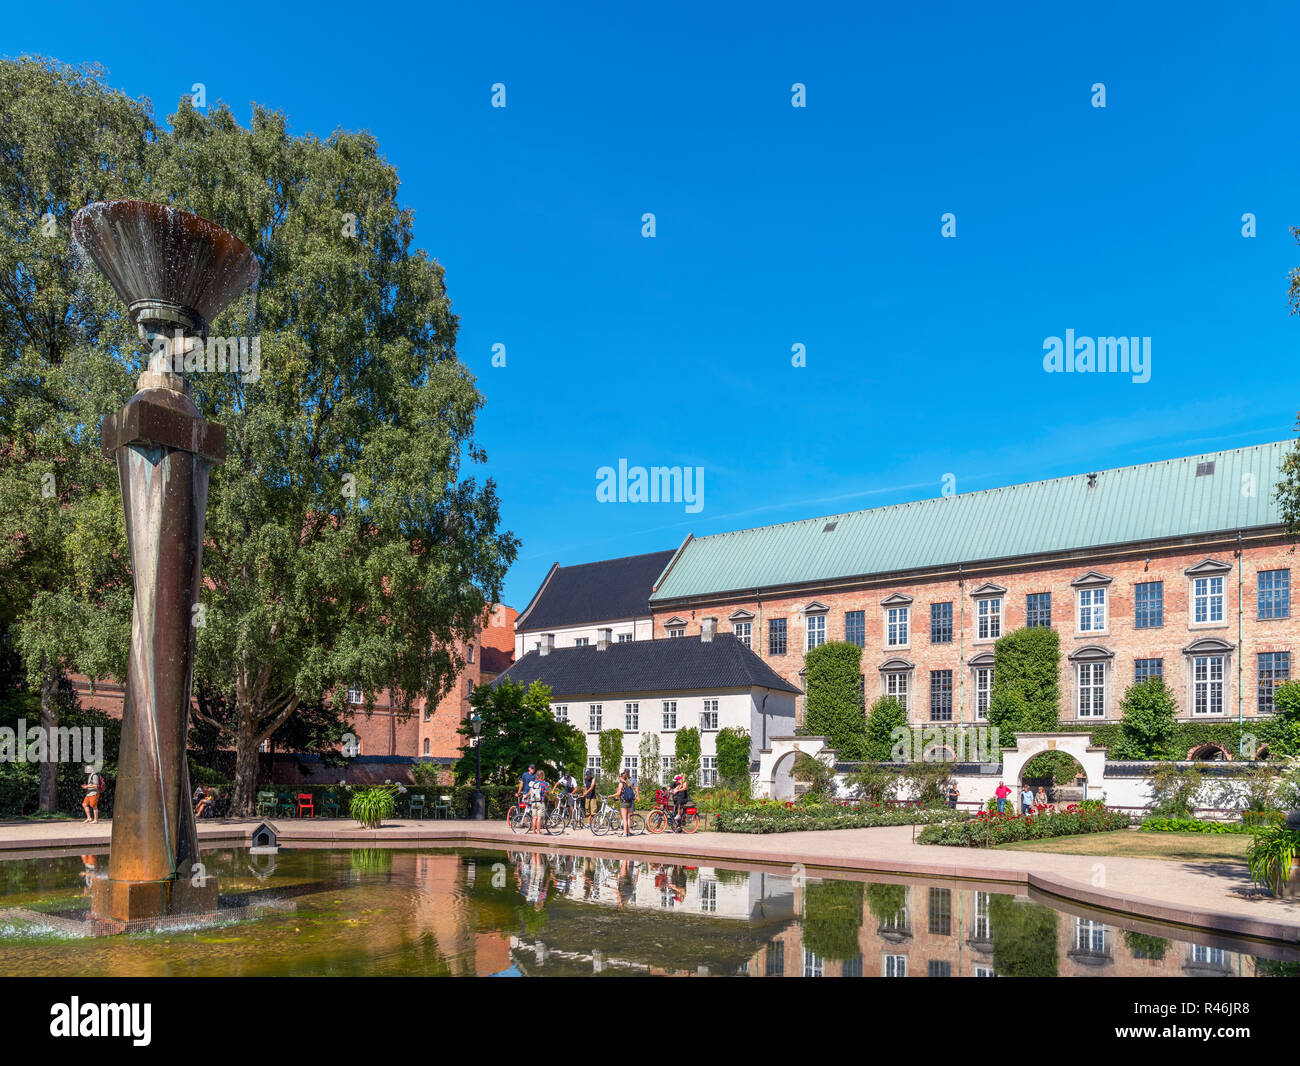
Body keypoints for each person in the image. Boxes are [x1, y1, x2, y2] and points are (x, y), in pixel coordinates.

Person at [610, 770, 638, 836]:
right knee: (628, 818)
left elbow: (618, 793)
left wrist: (610, 796)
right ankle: (628, 832)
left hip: (624, 802)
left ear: (622, 777)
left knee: (624, 819)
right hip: (630, 802)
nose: (619, 777)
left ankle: (625, 833)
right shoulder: (628, 783)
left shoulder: (621, 784)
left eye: (620, 776)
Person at [527, 768, 548, 833]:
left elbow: (530, 792)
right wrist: (549, 798)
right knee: (539, 818)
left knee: (534, 817)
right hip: (540, 802)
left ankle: (534, 831)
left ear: (536, 776)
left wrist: (526, 797)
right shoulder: (545, 784)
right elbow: (547, 792)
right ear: (543, 776)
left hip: (533, 802)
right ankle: (538, 831)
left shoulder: (533, 783)